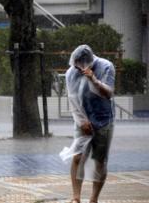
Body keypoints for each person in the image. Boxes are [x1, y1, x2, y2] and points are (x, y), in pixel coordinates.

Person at [65, 45, 115, 203]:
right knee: (78, 157)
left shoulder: (106, 66)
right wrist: (81, 121)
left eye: (80, 65)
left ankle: (94, 198)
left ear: (88, 62)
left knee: (100, 160)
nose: (77, 68)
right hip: (82, 120)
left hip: (103, 119)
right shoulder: (71, 72)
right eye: (75, 65)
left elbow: (108, 93)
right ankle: (76, 197)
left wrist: (93, 79)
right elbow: (72, 98)